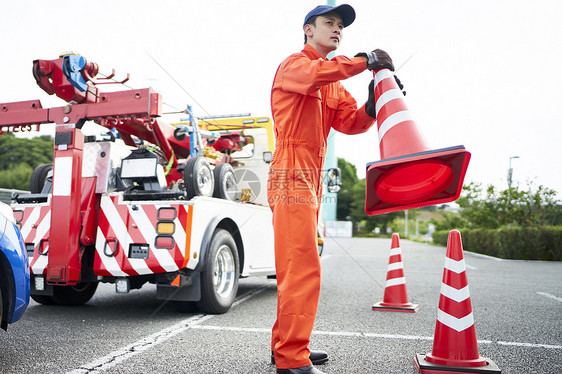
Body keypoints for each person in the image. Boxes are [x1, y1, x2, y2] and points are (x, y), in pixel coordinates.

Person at [267, 4, 399, 374]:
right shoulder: (296, 65)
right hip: (290, 171)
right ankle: (291, 359)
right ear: (308, 30)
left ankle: (287, 347)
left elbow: (351, 122)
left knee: (297, 266)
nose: (337, 29)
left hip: (310, 176)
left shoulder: (333, 83)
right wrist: (363, 62)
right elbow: (315, 76)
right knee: (302, 267)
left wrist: (374, 104)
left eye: (341, 25)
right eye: (330, 23)